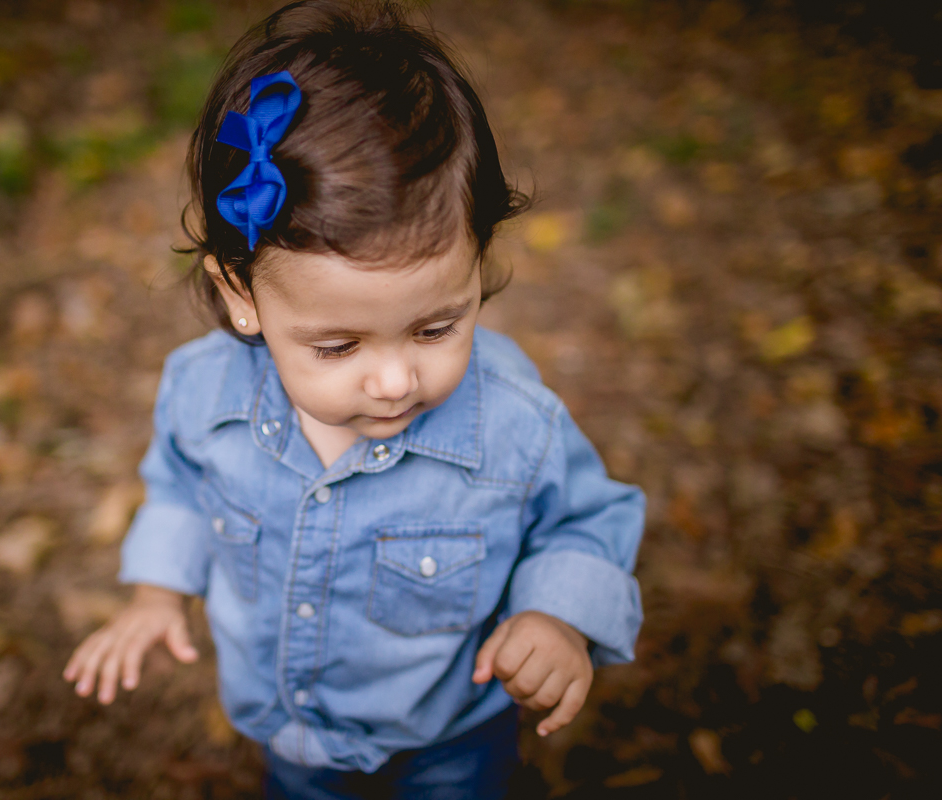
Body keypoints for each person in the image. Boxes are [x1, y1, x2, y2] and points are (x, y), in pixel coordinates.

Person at [64, 2, 645, 797]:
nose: (396, 380)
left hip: (451, 737)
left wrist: (556, 616)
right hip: (292, 736)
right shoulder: (204, 397)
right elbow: (180, 490)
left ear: (478, 261)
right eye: (338, 347)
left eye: (436, 328)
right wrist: (157, 593)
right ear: (241, 296)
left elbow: (587, 519)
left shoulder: (513, 421)